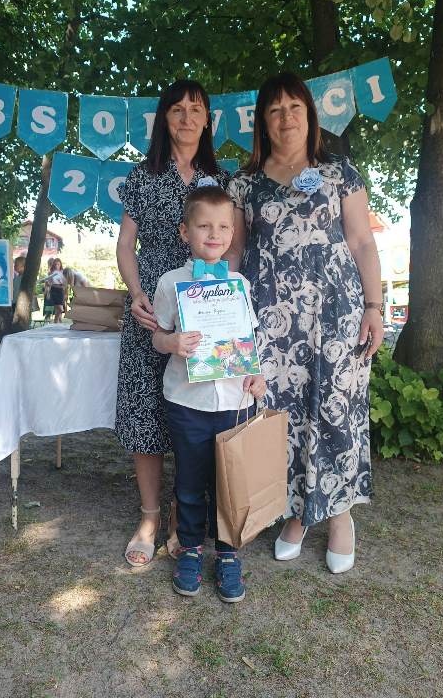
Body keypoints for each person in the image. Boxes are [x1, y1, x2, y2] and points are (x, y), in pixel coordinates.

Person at [227, 72, 384, 573]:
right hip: (271, 322)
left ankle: (339, 515)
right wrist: (223, 316)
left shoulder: (339, 172)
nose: (286, 117)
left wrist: (374, 306)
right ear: (263, 121)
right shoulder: (244, 183)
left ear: (309, 115)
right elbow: (234, 251)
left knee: (336, 409)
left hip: (336, 316)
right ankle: (296, 513)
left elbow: (362, 241)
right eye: (275, 109)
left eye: (294, 107)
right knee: (282, 415)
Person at [116, 79, 230, 566]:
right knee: (146, 411)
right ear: (164, 118)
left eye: (196, 109)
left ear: (207, 120)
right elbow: (126, 244)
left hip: (206, 312)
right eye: (177, 109)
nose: (187, 117)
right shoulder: (143, 175)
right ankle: (148, 517)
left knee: (196, 414)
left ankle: (188, 519)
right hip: (151, 310)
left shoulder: (219, 178)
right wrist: (137, 293)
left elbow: (231, 244)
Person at [152, 186, 266, 601]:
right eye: (204, 226)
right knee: (189, 478)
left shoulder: (239, 283)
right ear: (186, 232)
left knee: (229, 482)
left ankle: (228, 554)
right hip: (187, 402)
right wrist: (172, 343)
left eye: (223, 227)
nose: (214, 234)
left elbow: (248, 340)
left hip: (235, 402)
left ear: (232, 233)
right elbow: (157, 337)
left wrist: (257, 375)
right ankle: (189, 549)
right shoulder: (170, 283)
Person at [45, 258, 67, 324]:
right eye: (55, 264)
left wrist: (65, 292)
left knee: (59, 309)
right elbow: (48, 283)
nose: (57, 266)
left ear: (60, 265)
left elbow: (65, 284)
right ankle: (56, 322)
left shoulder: (62, 272)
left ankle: (57, 322)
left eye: (58, 264)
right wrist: (48, 291)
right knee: (59, 309)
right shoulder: (51, 273)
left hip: (60, 291)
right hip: (54, 291)